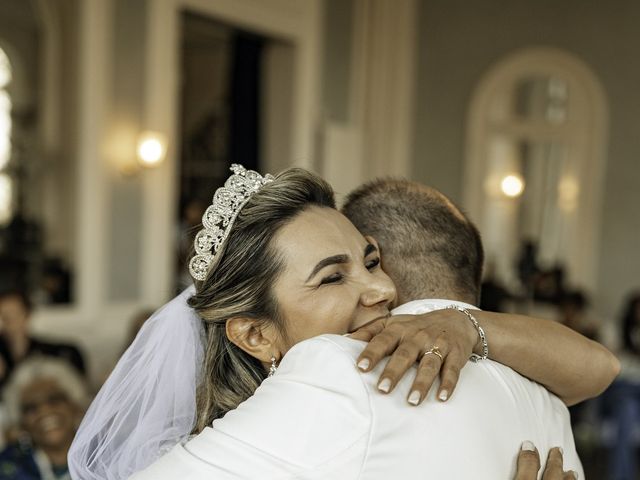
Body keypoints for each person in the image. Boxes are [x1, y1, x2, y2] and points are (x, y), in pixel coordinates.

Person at [70, 166, 617, 478]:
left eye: (372, 262)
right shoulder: (533, 379)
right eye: (333, 277)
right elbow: (596, 369)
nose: (382, 289)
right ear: (255, 333)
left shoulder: (355, 369)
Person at [0, 357, 89, 479]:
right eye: (31, 408)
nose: (44, 412)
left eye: (54, 400)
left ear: (75, 406)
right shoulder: (7, 467)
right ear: (21, 423)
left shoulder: (104, 454)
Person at [0, 291, 86, 388]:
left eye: (12, 314)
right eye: (3, 316)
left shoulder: (60, 351)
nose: (7, 322)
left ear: (27, 315)